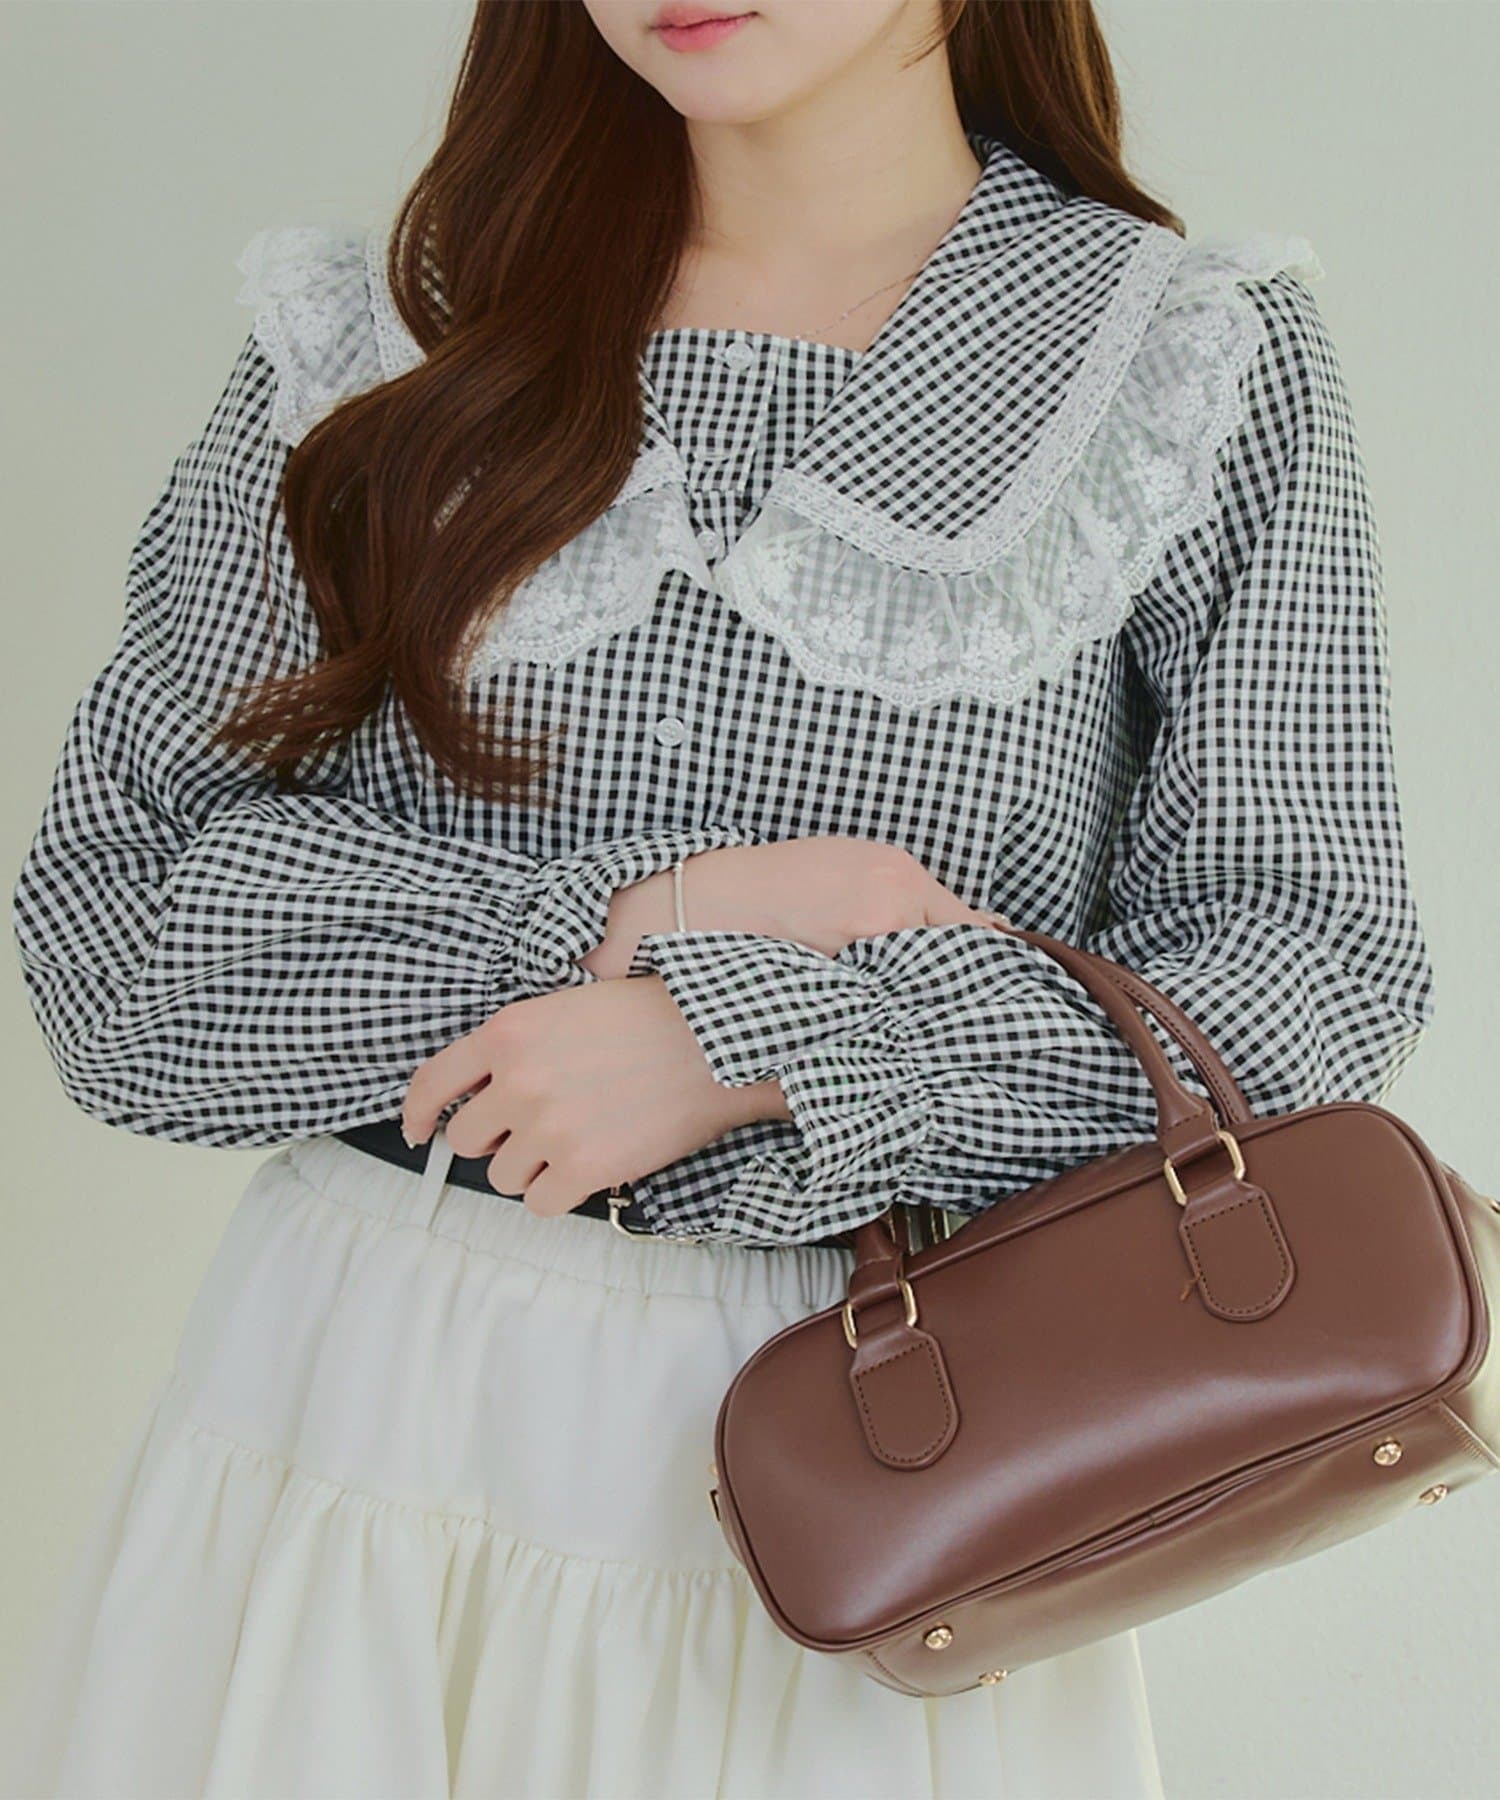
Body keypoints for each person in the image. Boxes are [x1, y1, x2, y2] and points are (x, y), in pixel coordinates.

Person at [3, 1, 1435, 1795]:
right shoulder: (386, 329)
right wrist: (640, 924)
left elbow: (1308, 970)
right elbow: (116, 929)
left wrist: (758, 1047)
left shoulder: (1181, 355)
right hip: (361, 1400)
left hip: (892, 1452)